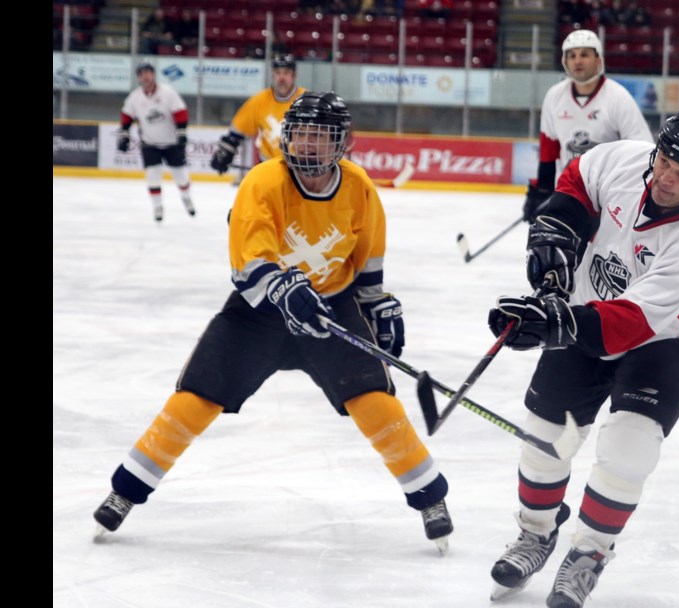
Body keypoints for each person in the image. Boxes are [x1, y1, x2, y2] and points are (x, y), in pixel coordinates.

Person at [94, 92, 455, 553]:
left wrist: (376, 303)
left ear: (342, 144)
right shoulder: (264, 181)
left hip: (332, 308)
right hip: (258, 314)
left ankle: (430, 499)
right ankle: (125, 490)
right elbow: (249, 259)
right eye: (300, 134)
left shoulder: (360, 187)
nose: (307, 145)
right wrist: (284, 290)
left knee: (374, 402)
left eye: (319, 137)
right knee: (197, 396)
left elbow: (368, 259)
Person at [486, 104, 679, 608]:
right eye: (665, 160)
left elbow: (636, 320)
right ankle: (536, 531)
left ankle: (589, 553)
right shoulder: (623, 160)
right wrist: (553, 251)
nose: (666, 176)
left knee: (628, 447)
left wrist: (555, 325)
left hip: (666, 339)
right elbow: (575, 183)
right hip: (585, 309)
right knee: (544, 436)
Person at [522, 29, 653, 225]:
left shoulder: (618, 97)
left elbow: (644, 150)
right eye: (572, 55)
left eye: (584, 54)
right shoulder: (554, 96)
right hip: (570, 190)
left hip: (610, 194)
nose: (578, 61)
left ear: (598, 60)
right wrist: (542, 191)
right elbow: (549, 149)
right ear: (564, 62)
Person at [117, 61, 195, 222]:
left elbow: (180, 112)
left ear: (153, 74)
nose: (145, 76)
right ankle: (157, 207)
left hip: (172, 143)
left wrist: (181, 132)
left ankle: (186, 198)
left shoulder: (168, 93)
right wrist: (124, 134)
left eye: (148, 72)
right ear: (138, 77)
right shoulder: (135, 97)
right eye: (142, 73)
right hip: (149, 143)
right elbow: (126, 116)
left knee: (180, 176)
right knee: (153, 175)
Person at [209, 54, 307, 178]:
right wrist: (225, 151)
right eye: (278, 73)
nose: (281, 77)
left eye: (286, 73)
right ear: (273, 75)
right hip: (267, 168)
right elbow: (238, 130)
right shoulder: (260, 100)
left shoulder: (306, 100)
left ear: (294, 76)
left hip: (299, 169)